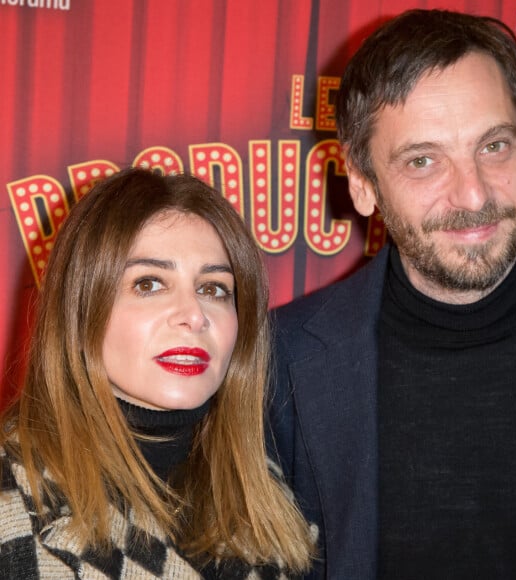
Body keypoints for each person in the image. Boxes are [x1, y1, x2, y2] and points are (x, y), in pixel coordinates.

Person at [268, 8, 516, 580]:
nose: (471, 193)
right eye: (423, 160)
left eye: (494, 147)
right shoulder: (281, 360)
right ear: (362, 184)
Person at [0, 168, 314, 578]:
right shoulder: (13, 497)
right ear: (78, 314)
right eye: (149, 284)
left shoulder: (268, 494)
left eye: (213, 288)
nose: (194, 315)